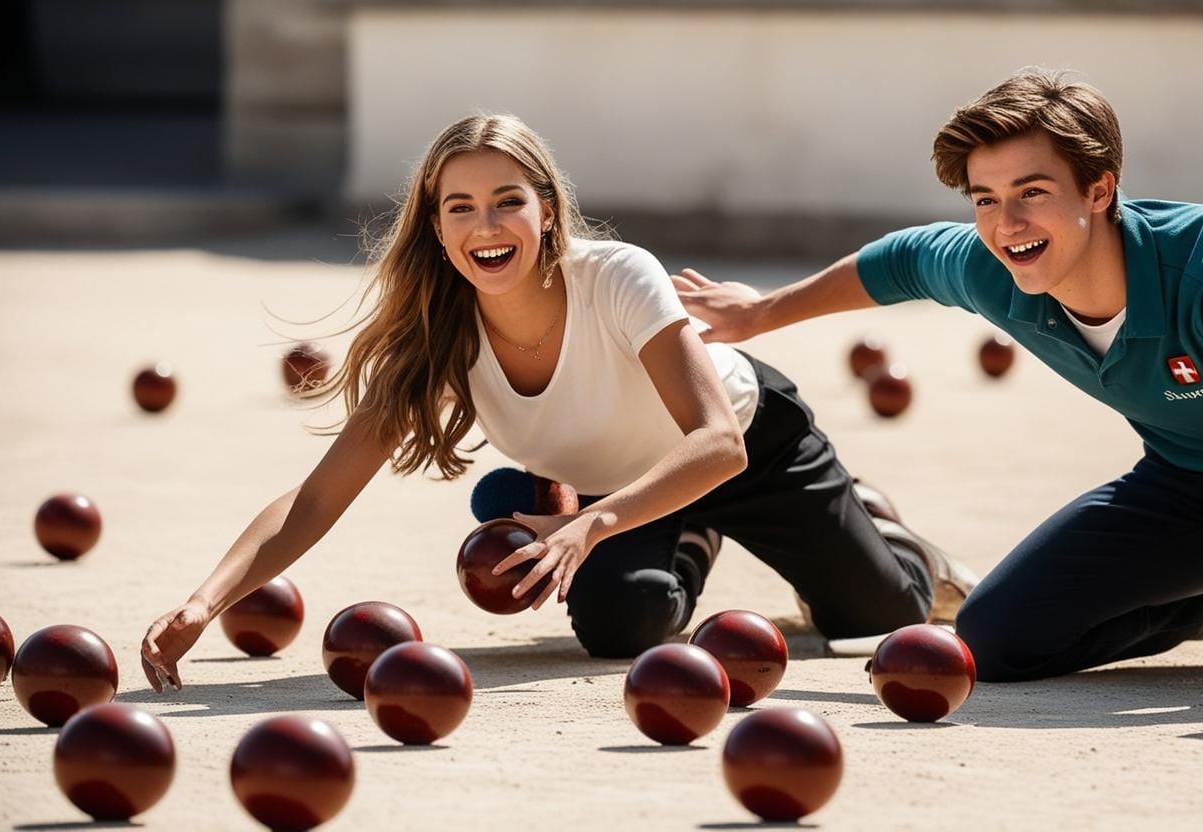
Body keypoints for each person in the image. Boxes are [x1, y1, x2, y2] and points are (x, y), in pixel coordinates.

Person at [674, 69, 1203, 705]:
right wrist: (763, 311)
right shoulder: (991, 263)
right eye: (984, 198)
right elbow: (899, 260)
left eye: (1032, 192)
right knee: (995, 641)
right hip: (1192, 486)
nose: (1007, 223)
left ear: (1099, 190)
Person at [139, 114, 974, 691]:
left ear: (547, 208)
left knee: (878, 620)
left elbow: (717, 442)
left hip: (751, 445)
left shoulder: (616, 276)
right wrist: (202, 602)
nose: (486, 223)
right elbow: (320, 495)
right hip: (624, 490)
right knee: (622, 624)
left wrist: (590, 523)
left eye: (508, 199)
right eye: (459, 206)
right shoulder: (439, 335)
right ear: (436, 229)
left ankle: (889, 540)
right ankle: (688, 531)